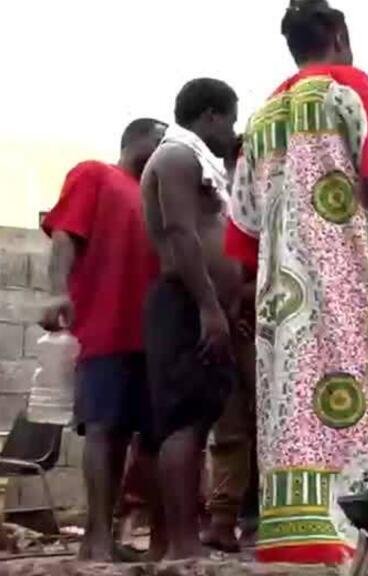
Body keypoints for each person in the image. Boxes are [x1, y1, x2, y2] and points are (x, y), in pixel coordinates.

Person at [224, 1, 368, 563]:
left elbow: (243, 226)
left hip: (286, 299)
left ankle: (306, 537)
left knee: (299, 408)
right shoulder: (348, 88)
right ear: (340, 36)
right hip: (357, 282)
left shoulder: (260, 117)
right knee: (367, 395)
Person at [40, 118, 167, 561]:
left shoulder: (154, 197)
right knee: (103, 432)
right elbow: (64, 235)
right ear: (139, 139)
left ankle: (119, 534)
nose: (165, 148)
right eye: (161, 138)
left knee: (144, 438)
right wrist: (57, 291)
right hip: (105, 329)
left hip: (151, 336)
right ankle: (95, 539)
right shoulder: (94, 173)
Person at [141, 78, 241, 559]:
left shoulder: (195, 161)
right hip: (185, 304)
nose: (233, 131)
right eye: (231, 120)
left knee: (198, 423)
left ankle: (172, 544)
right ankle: (182, 545)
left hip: (203, 306)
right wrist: (208, 306)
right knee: (184, 425)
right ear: (212, 116)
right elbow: (181, 231)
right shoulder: (177, 157)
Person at [201, 136, 256, 553]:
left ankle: (253, 518)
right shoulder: (219, 206)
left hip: (264, 327)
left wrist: (244, 298)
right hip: (229, 328)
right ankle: (223, 519)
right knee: (231, 425)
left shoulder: (270, 207)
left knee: (269, 425)